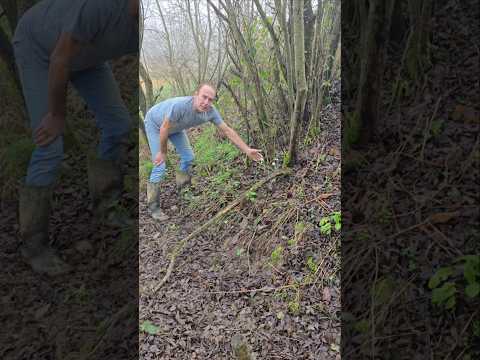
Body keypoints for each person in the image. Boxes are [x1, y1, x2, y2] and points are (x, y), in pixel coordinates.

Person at [12, 0, 139, 276]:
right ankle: (34, 247)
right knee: (50, 147)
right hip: (40, 49)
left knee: (118, 125)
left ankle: (107, 205)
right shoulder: (101, 7)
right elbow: (60, 58)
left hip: (85, 57)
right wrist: (57, 115)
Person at [144, 83, 264, 221]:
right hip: (155, 124)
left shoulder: (211, 112)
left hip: (175, 128)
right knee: (160, 165)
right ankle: (153, 207)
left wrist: (247, 150)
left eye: (210, 99)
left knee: (188, 157)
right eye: (204, 97)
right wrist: (163, 153)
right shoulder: (181, 106)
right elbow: (164, 128)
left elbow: (227, 130)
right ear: (196, 94)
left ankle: (183, 189)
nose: (206, 102)